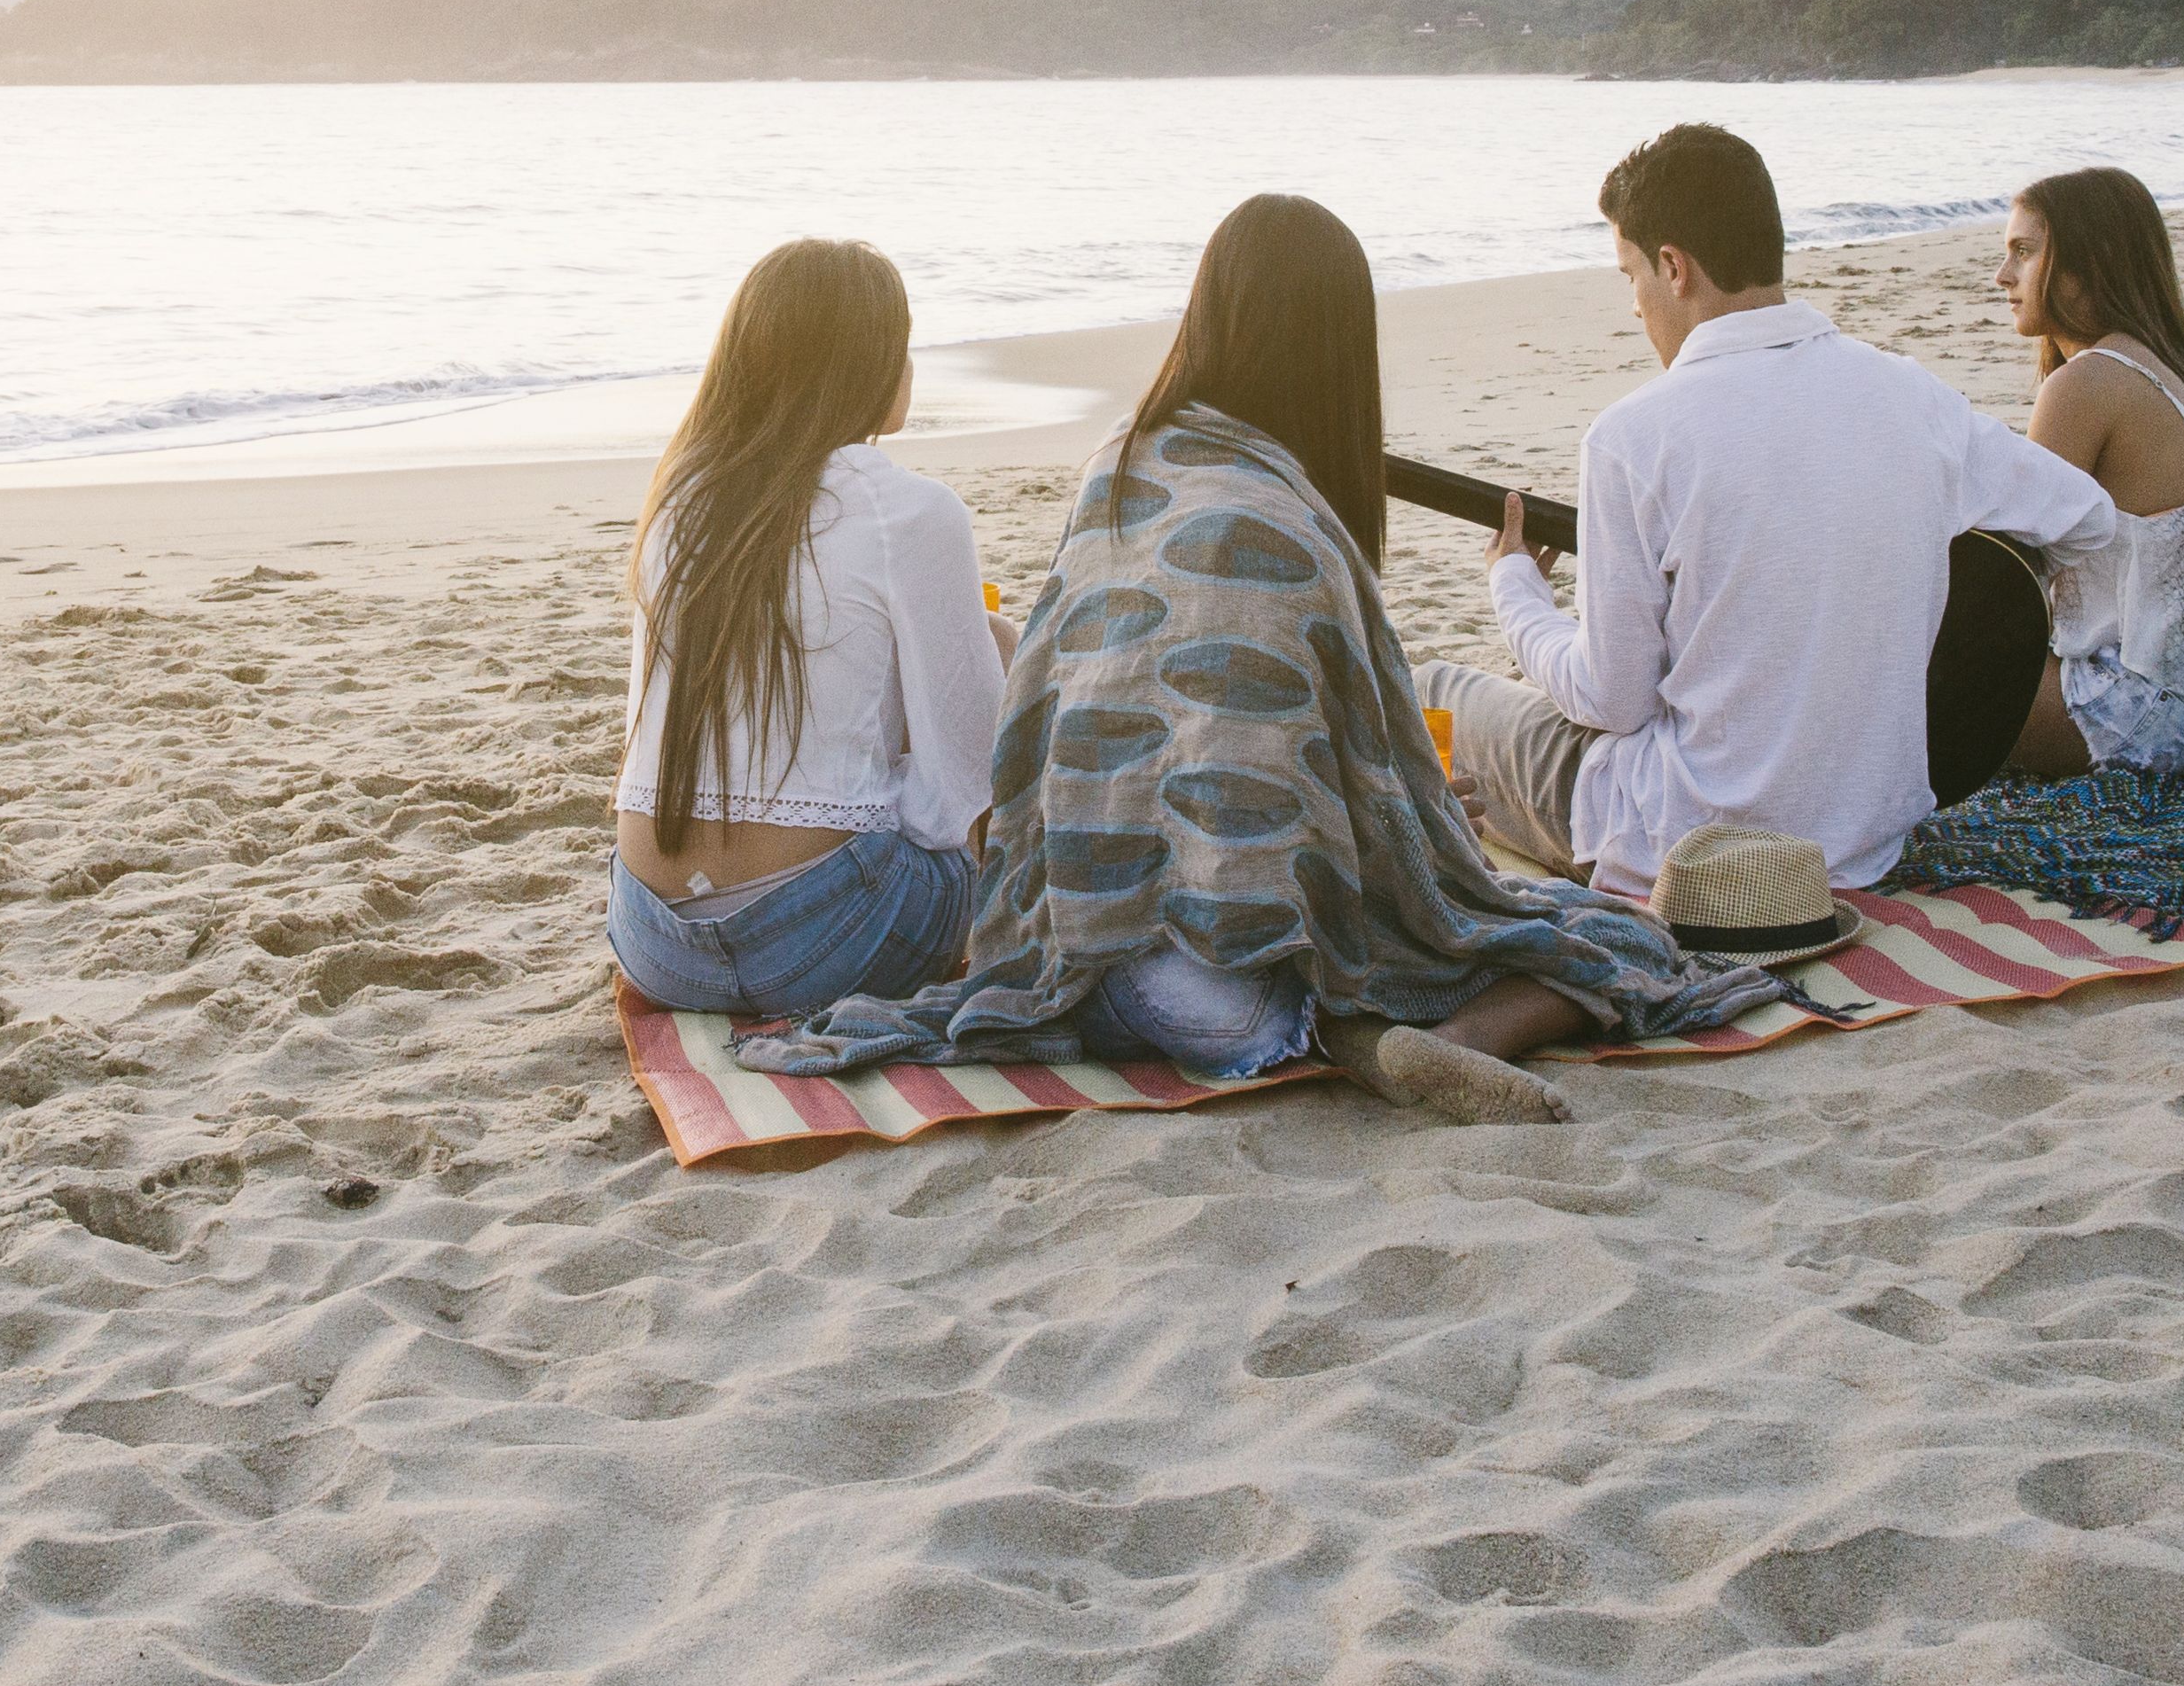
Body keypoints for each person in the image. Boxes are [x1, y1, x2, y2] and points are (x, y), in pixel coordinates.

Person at [736, 195, 1777, 1126]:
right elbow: (1364, 822)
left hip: (1068, 969)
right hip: (1225, 1006)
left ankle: (1358, 1033)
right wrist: (1424, 829)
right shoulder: (1292, 525)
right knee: (1607, 936)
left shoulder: (1116, 467)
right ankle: (1440, 1039)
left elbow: (1043, 713)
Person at [1422, 122, 2116, 899]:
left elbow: (1611, 700)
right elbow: (2087, 518)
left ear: (1674, 267)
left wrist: (1515, 589)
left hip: (1687, 851)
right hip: (1862, 845)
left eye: (1631, 276)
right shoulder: (1912, 396)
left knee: (1434, 688)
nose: (1636, 306)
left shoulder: (1631, 437)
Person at [606, 238, 1015, 1022]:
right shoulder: (913, 511)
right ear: (857, 363)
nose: (909, 366)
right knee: (993, 643)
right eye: (900, 344)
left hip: (654, 943)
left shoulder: (680, 499)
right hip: (821, 941)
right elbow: (967, 782)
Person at [1991, 167, 2184, 781]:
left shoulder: (2085, 384)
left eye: (2024, 251)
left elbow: (2007, 576)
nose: (2003, 276)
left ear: (2088, 262)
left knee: (1906, 639)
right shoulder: (2179, 372)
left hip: (2137, 716)